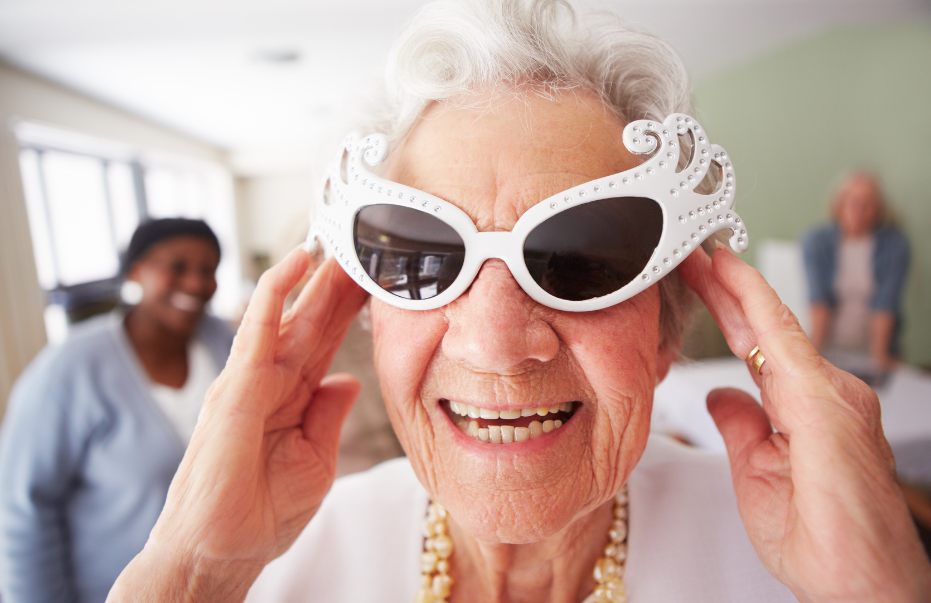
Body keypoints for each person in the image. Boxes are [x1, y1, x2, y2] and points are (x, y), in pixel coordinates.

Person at [108, 2, 931, 602]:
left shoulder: (793, 566)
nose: (495, 342)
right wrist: (191, 574)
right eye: (427, 257)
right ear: (365, 310)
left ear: (665, 327)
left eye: (577, 257)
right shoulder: (273, 569)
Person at [0, 218, 234, 603]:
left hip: (220, 587)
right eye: (177, 267)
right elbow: (24, 509)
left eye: (208, 271)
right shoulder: (70, 370)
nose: (195, 283)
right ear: (135, 271)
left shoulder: (224, 342)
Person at [802, 172, 911, 371]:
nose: (858, 210)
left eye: (867, 203)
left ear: (878, 209)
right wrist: (814, 356)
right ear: (839, 204)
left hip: (872, 352)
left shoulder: (894, 246)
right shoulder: (817, 242)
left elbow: (885, 304)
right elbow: (819, 300)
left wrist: (879, 361)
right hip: (831, 348)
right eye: (852, 201)